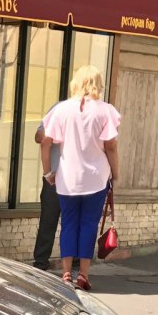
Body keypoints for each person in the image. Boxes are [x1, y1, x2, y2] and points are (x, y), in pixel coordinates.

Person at [40, 65, 120, 291]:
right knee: (88, 225)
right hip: (96, 178)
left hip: (68, 177)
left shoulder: (62, 109)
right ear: (98, 84)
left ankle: (66, 273)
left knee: (68, 224)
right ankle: (83, 274)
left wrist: (48, 173)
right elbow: (111, 147)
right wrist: (115, 174)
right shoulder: (106, 111)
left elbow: (45, 142)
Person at [31, 111, 61, 271]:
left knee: (73, 225)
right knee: (48, 220)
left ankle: (74, 267)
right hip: (53, 177)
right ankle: (40, 263)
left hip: (79, 179)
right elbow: (39, 137)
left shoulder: (96, 112)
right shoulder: (59, 110)